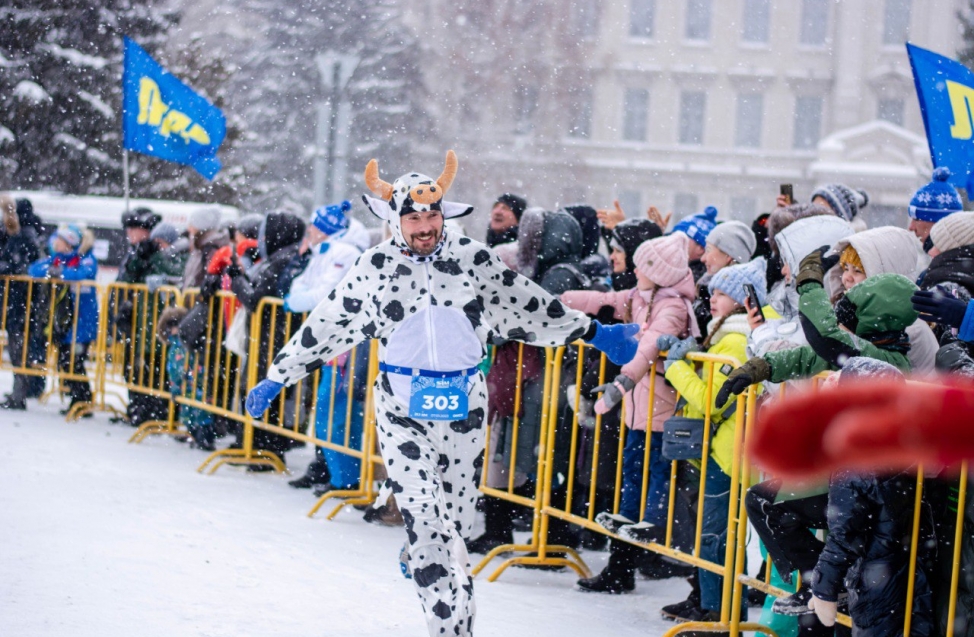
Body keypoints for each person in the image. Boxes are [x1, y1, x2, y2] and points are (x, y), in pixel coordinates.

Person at [244, 150, 639, 637]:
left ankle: (439, 582)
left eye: (432, 214)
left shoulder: (472, 259)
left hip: (464, 411)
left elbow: (526, 305)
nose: (425, 225)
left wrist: (595, 334)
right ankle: (446, 622)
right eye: (414, 217)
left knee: (450, 530)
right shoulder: (376, 267)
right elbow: (329, 325)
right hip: (400, 410)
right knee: (428, 525)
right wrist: (279, 375)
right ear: (396, 219)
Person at [562, 232, 698, 594]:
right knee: (633, 465)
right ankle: (625, 535)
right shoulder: (642, 297)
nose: (635, 268)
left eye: (643, 264)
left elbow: (647, 349)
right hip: (640, 410)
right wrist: (558, 300)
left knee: (657, 468)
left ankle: (651, 522)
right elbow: (605, 299)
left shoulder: (673, 308)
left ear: (659, 271)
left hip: (663, 408)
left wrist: (620, 385)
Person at [651, 258, 766, 627]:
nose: (711, 298)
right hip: (732, 451)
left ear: (739, 300)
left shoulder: (733, 341)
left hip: (727, 455)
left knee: (716, 537)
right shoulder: (734, 336)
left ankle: (717, 614)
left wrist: (676, 367)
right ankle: (720, 610)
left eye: (720, 292)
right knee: (722, 536)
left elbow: (712, 401)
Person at [284, 200, 368, 491]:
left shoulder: (344, 253)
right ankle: (340, 475)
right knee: (329, 412)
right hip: (330, 343)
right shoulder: (324, 251)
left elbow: (322, 294)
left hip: (344, 346)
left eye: (314, 225)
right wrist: (298, 297)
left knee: (335, 413)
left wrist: (299, 298)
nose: (309, 230)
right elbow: (298, 286)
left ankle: (346, 479)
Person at [28, 224, 99, 415]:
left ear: (69, 242)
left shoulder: (85, 259)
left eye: (59, 240)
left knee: (75, 361)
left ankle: (82, 399)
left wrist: (61, 273)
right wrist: (52, 270)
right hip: (66, 322)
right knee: (65, 361)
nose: (55, 243)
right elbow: (34, 269)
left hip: (83, 321)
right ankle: (77, 398)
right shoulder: (58, 260)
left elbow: (84, 273)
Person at [0, 194, 40, 410]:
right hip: (15, 303)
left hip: (20, 302)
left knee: (19, 350)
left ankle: (20, 394)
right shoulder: (15, 234)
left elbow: (18, 264)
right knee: (17, 348)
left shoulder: (25, 236)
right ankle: (19, 392)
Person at [908, 167, 963, 253]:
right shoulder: (959, 258)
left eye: (917, 219)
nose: (911, 227)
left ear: (939, 222)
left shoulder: (949, 263)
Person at [672, 206, 718, 282]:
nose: (672, 242)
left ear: (700, 248)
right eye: (672, 236)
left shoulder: (696, 280)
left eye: (680, 239)